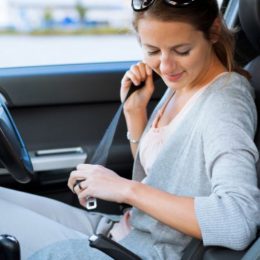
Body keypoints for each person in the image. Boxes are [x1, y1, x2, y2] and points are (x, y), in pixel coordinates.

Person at [1, 0, 260, 259]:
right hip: (120, 230)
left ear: (214, 31)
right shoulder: (182, 84)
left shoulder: (225, 103)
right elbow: (161, 175)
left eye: (181, 50)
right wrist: (135, 113)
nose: (166, 67)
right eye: (152, 50)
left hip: (141, 250)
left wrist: (124, 189)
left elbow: (237, 220)